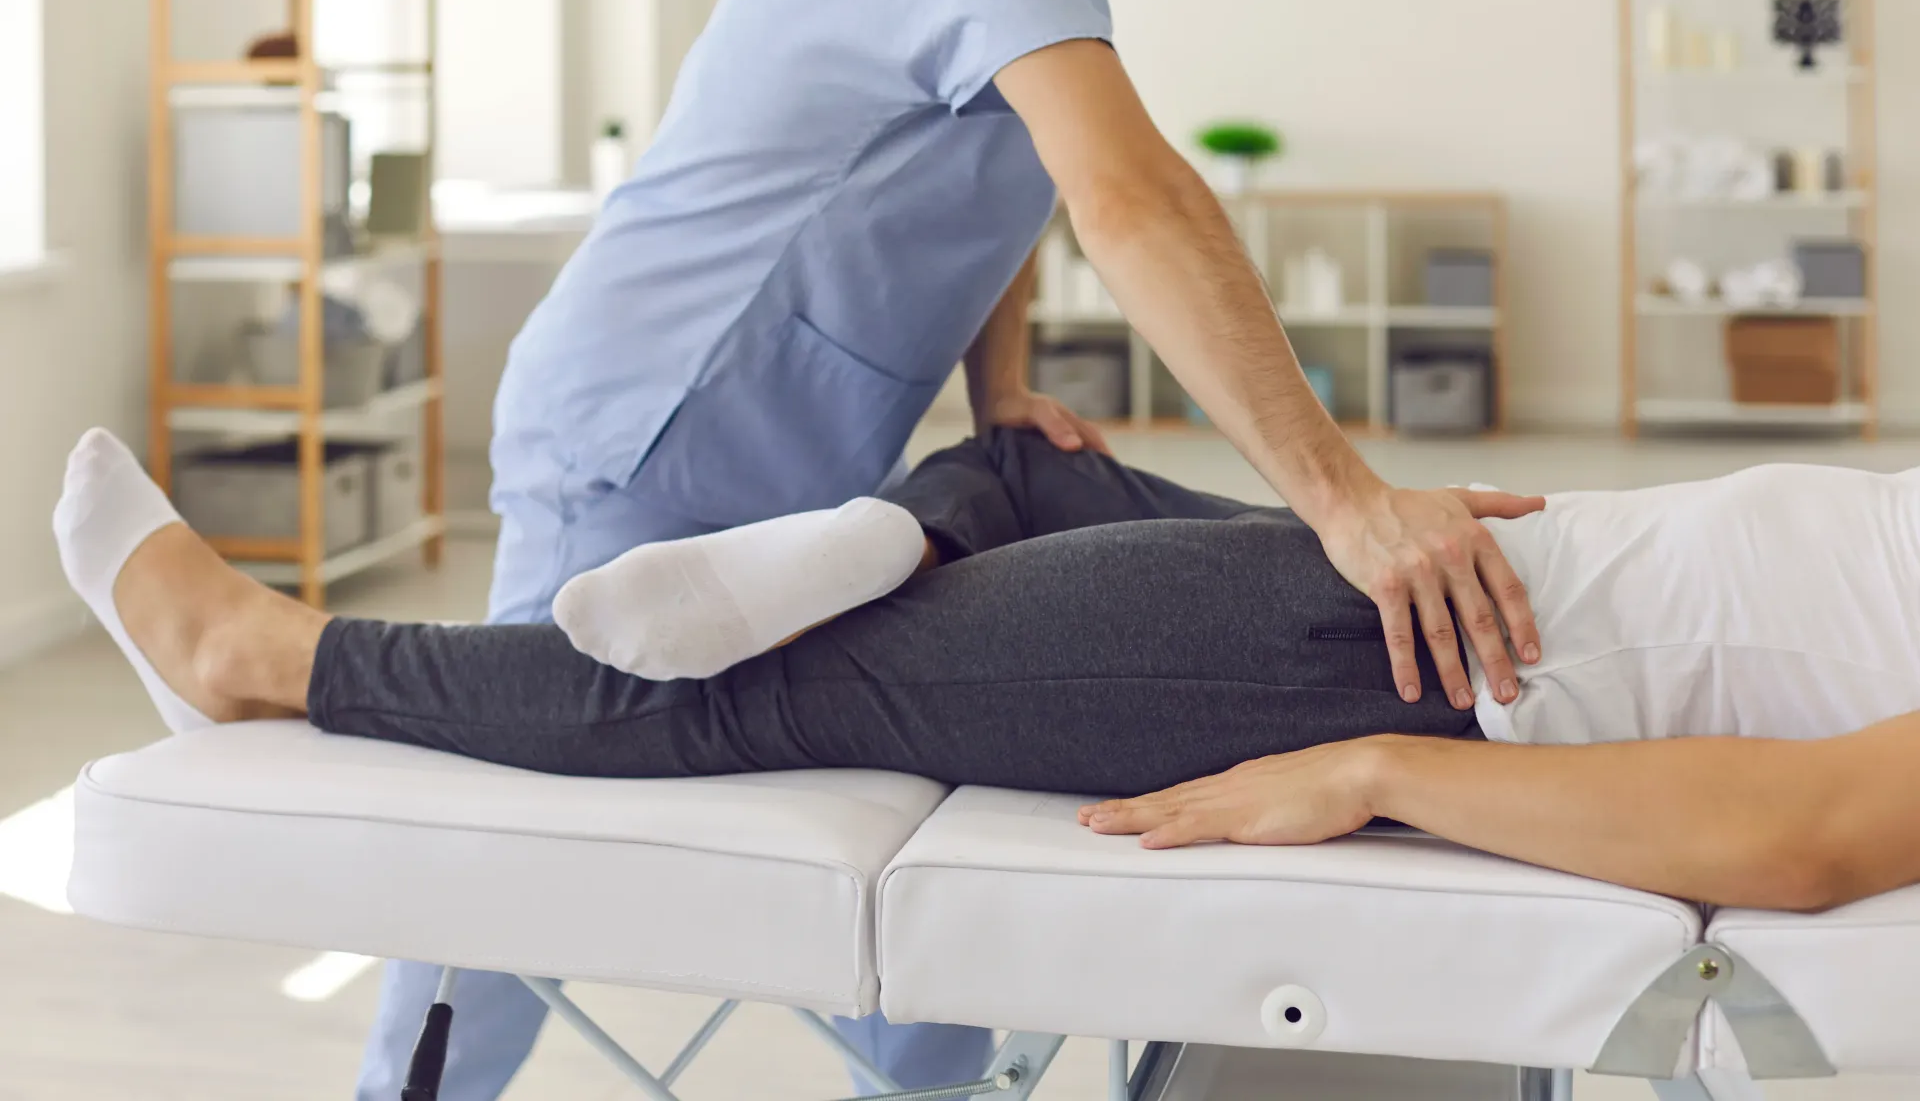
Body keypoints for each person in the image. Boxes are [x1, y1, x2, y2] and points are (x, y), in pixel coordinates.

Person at [443, 0, 1549, 1092]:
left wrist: (999, 383)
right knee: (511, 831)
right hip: (642, 425)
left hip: (801, 458)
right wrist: (1346, 502)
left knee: (892, 803)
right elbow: (1128, 195)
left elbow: (996, 158)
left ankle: (927, 1082)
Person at [58, 426, 1920, 915]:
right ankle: (914, 523)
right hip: (1468, 573)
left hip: (1418, 673)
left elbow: (1818, 837)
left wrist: (1379, 770)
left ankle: (266, 657)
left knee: (792, 686)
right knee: (1040, 461)